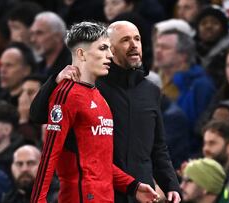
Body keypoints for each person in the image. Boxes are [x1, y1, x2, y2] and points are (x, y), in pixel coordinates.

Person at [30, 20, 181, 203]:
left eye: (137, 39)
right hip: (94, 193)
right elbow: (41, 123)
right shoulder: (87, 88)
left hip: (138, 192)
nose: (134, 45)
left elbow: (158, 147)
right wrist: (55, 81)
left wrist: (168, 184)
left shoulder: (150, 92)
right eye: (125, 40)